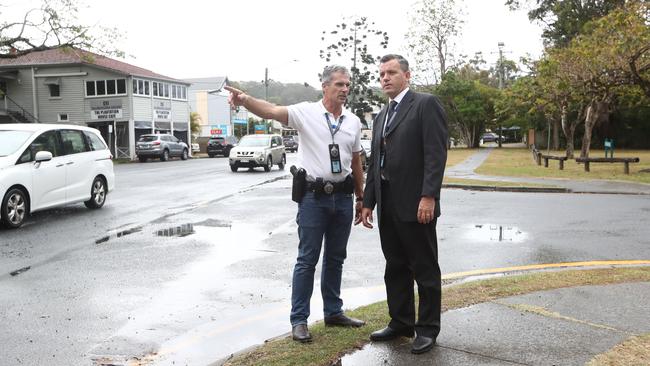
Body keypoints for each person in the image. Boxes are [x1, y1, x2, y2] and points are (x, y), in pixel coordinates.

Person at [225, 65, 366, 343]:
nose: (344, 89)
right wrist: (245, 100)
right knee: (307, 260)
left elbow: (357, 160)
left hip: (344, 197)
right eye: (339, 84)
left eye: (347, 85)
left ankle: (333, 312)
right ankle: (299, 320)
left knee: (336, 257)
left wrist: (361, 197)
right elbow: (271, 111)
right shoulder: (306, 113)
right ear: (325, 87)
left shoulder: (353, 121)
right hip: (314, 197)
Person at [359, 54, 448, 354]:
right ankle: (400, 322)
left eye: (391, 72)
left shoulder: (425, 105)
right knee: (395, 266)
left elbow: (436, 155)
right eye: (381, 73)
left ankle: (427, 329)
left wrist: (429, 196)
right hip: (388, 206)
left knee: (423, 267)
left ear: (407, 76)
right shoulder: (381, 116)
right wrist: (368, 201)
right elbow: (375, 164)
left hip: (416, 204)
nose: (385, 78)